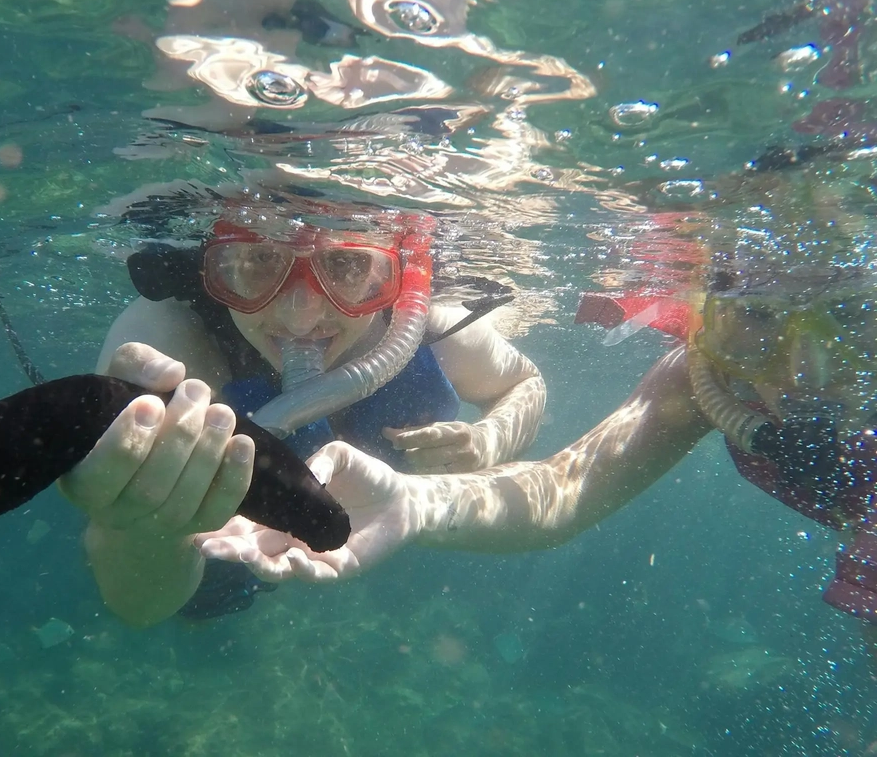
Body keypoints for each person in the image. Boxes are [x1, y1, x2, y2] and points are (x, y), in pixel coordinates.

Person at [194, 260, 875, 624]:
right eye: (755, 317)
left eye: (851, 316)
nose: (800, 370)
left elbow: (523, 388)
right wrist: (415, 502)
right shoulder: (702, 383)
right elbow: (562, 488)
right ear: (702, 312)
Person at [57, 190, 548, 627]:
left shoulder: (430, 327)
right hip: (225, 565)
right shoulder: (172, 344)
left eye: (347, 266)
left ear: (397, 280)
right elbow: (136, 604)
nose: (300, 318)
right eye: (257, 263)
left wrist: (490, 439)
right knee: (209, 601)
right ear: (214, 272)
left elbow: (526, 383)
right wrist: (152, 532)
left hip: (384, 530)